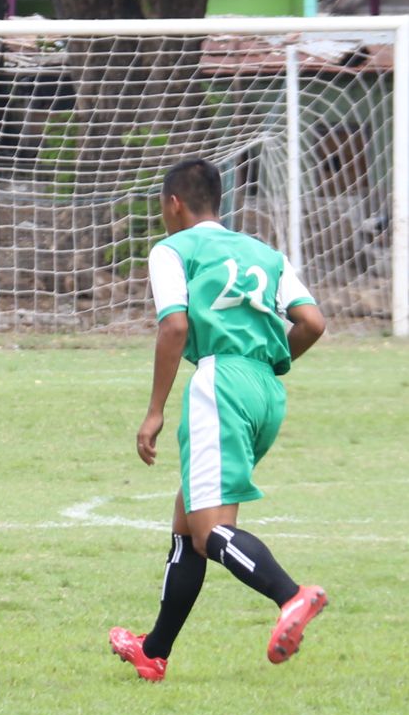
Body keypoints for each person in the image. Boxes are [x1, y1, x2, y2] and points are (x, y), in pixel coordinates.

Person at [110, 158, 328, 682]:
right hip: (265, 388)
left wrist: (155, 409)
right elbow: (312, 322)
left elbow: (175, 327)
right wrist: (267, 365)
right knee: (188, 518)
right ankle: (154, 650)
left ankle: (291, 595)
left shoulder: (172, 249)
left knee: (210, 533)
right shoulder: (264, 253)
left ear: (173, 204)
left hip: (220, 384)